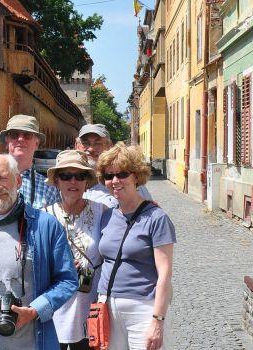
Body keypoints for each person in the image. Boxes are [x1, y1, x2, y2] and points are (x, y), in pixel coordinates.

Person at [0, 154, 78, 350]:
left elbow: (68, 280)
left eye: (3, 178)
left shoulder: (45, 225)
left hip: (31, 341)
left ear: (18, 181)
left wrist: (35, 310)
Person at [96, 143, 175, 350]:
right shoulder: (106, 215)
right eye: (108, 175)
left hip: (142, 308)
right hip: (107, 305)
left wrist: (158, 320)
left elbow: (165, 274)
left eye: (122, 174)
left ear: (136, 176)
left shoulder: (156, 218)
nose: (115, 181)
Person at [43, 150, 106, 349]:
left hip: (90, 304)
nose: (73, 182)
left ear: (86, 181)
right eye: (66, 176)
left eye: (80, 176)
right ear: (57, 181)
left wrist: (148, 208)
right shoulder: (44, 216)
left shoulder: (102, 211)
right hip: (56, 305)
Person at [75, 124, 152, 208]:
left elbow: (148, 214)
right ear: (77, 146)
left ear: (110, 146)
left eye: (98, 143)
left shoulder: (126, 179)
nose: (91, 149)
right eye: (85, 143)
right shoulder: (64, 178)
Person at [0, 115, 60, 209]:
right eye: (14, 135)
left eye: (27, 135)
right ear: (7, 142)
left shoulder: (49, 189)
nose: (20, 139)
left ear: (36, 143)